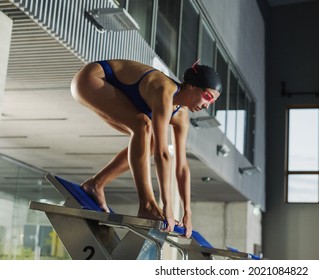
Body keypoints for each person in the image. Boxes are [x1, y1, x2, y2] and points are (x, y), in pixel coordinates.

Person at [70, 59, 222, 238]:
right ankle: (147, 205)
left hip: (115, 90)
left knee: (146, 135)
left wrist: (187, 212)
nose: (207, 105)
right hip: (91, 78)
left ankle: (95, 184)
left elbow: (182, 167)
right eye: (208, 97)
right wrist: (167, 207)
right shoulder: (165, 90)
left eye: (212, 102)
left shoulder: (181, 114)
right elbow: (162, 153)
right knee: (143, 125)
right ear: (191, 86)